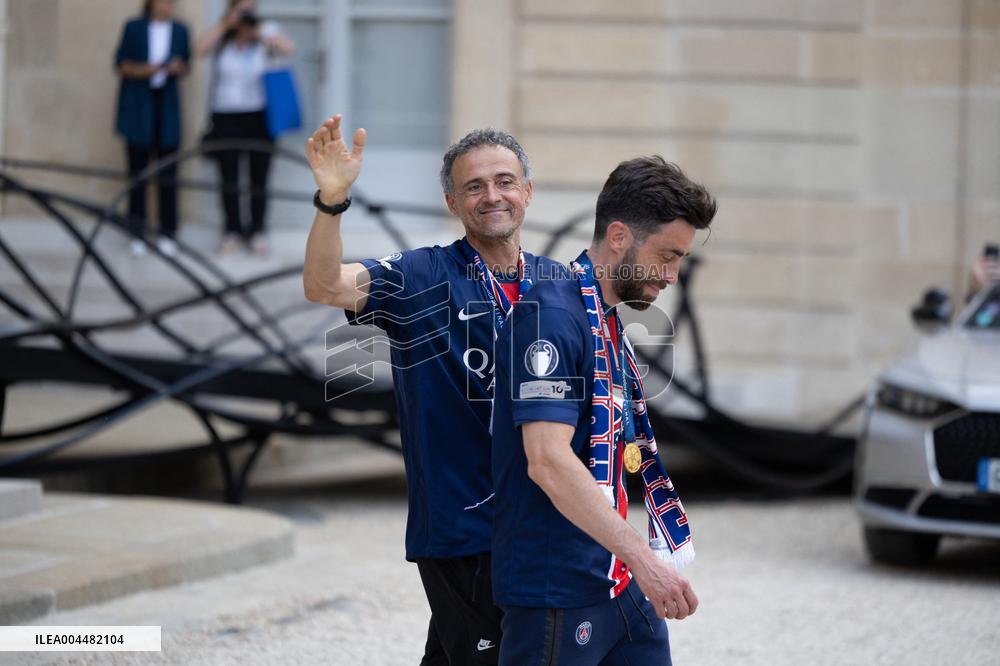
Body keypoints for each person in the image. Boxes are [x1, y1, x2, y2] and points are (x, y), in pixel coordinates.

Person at [303, 114, 561, 665]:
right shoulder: (420, 276)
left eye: (505, 181)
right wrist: (332, 200)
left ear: (528, 191)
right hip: (465, 528)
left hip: (545, 523)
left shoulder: (559, 285)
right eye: (474, 186)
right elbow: (325, 284)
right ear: (452, 203)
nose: (492, 196)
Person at [491, 156, 717, 665]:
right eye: (666, 255)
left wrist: (634, 563)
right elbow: (547, 461)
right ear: (618, 237)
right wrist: (645, 561)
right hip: (556, 589)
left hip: (615, 578)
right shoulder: (551, 317)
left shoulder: (606, 319)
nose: (673, 275)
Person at [195, 0, 295, 257]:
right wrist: (225, 25)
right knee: (228, 176)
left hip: (259, 115)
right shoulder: (223, 37)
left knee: (258, 176)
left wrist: (259, 30)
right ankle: (232, 231)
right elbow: (199, 49)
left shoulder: (264, 32)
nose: (246, 15)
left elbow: (288, 49)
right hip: (225, 115)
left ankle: (257, 231)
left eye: (251, 9)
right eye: (242, 9)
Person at [113, 0, 191, 258]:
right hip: (139, 106)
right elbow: (121, 63)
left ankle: (168, 232)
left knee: (168, 174)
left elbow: (186, 63)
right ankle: (137, 231)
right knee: (137, 174)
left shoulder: (180, 29)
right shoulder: (134, 27)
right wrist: (144, 70)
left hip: (166, 107)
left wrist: (177, 67)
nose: (167, 5)